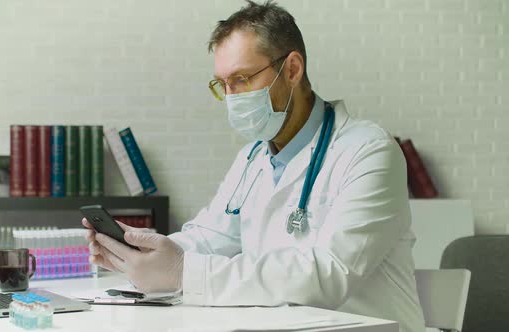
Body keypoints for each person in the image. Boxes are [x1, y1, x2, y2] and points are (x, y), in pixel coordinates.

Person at [83, 1, 425, 331]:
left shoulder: (367, 150)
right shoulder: (252, 158)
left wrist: (186, 273)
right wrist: (143, 252)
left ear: (292, 69)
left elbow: (330, 273)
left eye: (243, 79)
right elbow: (211, 236)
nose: (232, 97)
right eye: (223, 85)